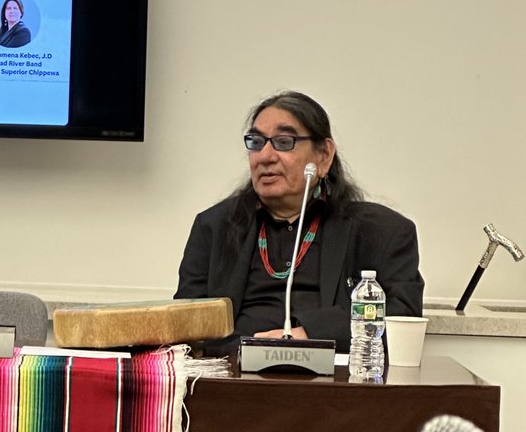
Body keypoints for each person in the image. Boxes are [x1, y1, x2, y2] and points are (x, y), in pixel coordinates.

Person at [175, 90, 424, 352]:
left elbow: (402, 317)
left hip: (335, 384)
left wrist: (311, 334)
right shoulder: (215, 227)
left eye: (284, 142)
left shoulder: (381, 232)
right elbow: (185, 323)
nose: (266, 156)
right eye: (257, 142)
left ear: (324, 156)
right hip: (235, 378)